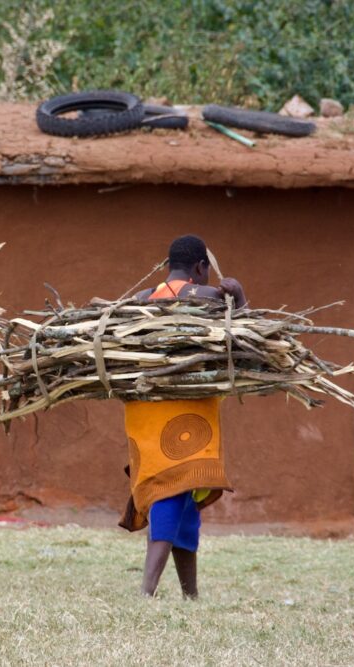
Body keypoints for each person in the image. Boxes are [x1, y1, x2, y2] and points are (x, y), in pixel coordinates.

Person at [121, 234, 246, 598]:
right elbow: (244, 341)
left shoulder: (141, 300)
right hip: (188, 416)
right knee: (172, 493)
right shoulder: (210, 299)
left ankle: (191, 595)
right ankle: (146, 591)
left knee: (184, 500)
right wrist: (238, 298)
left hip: (144, 415)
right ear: (200, 268)